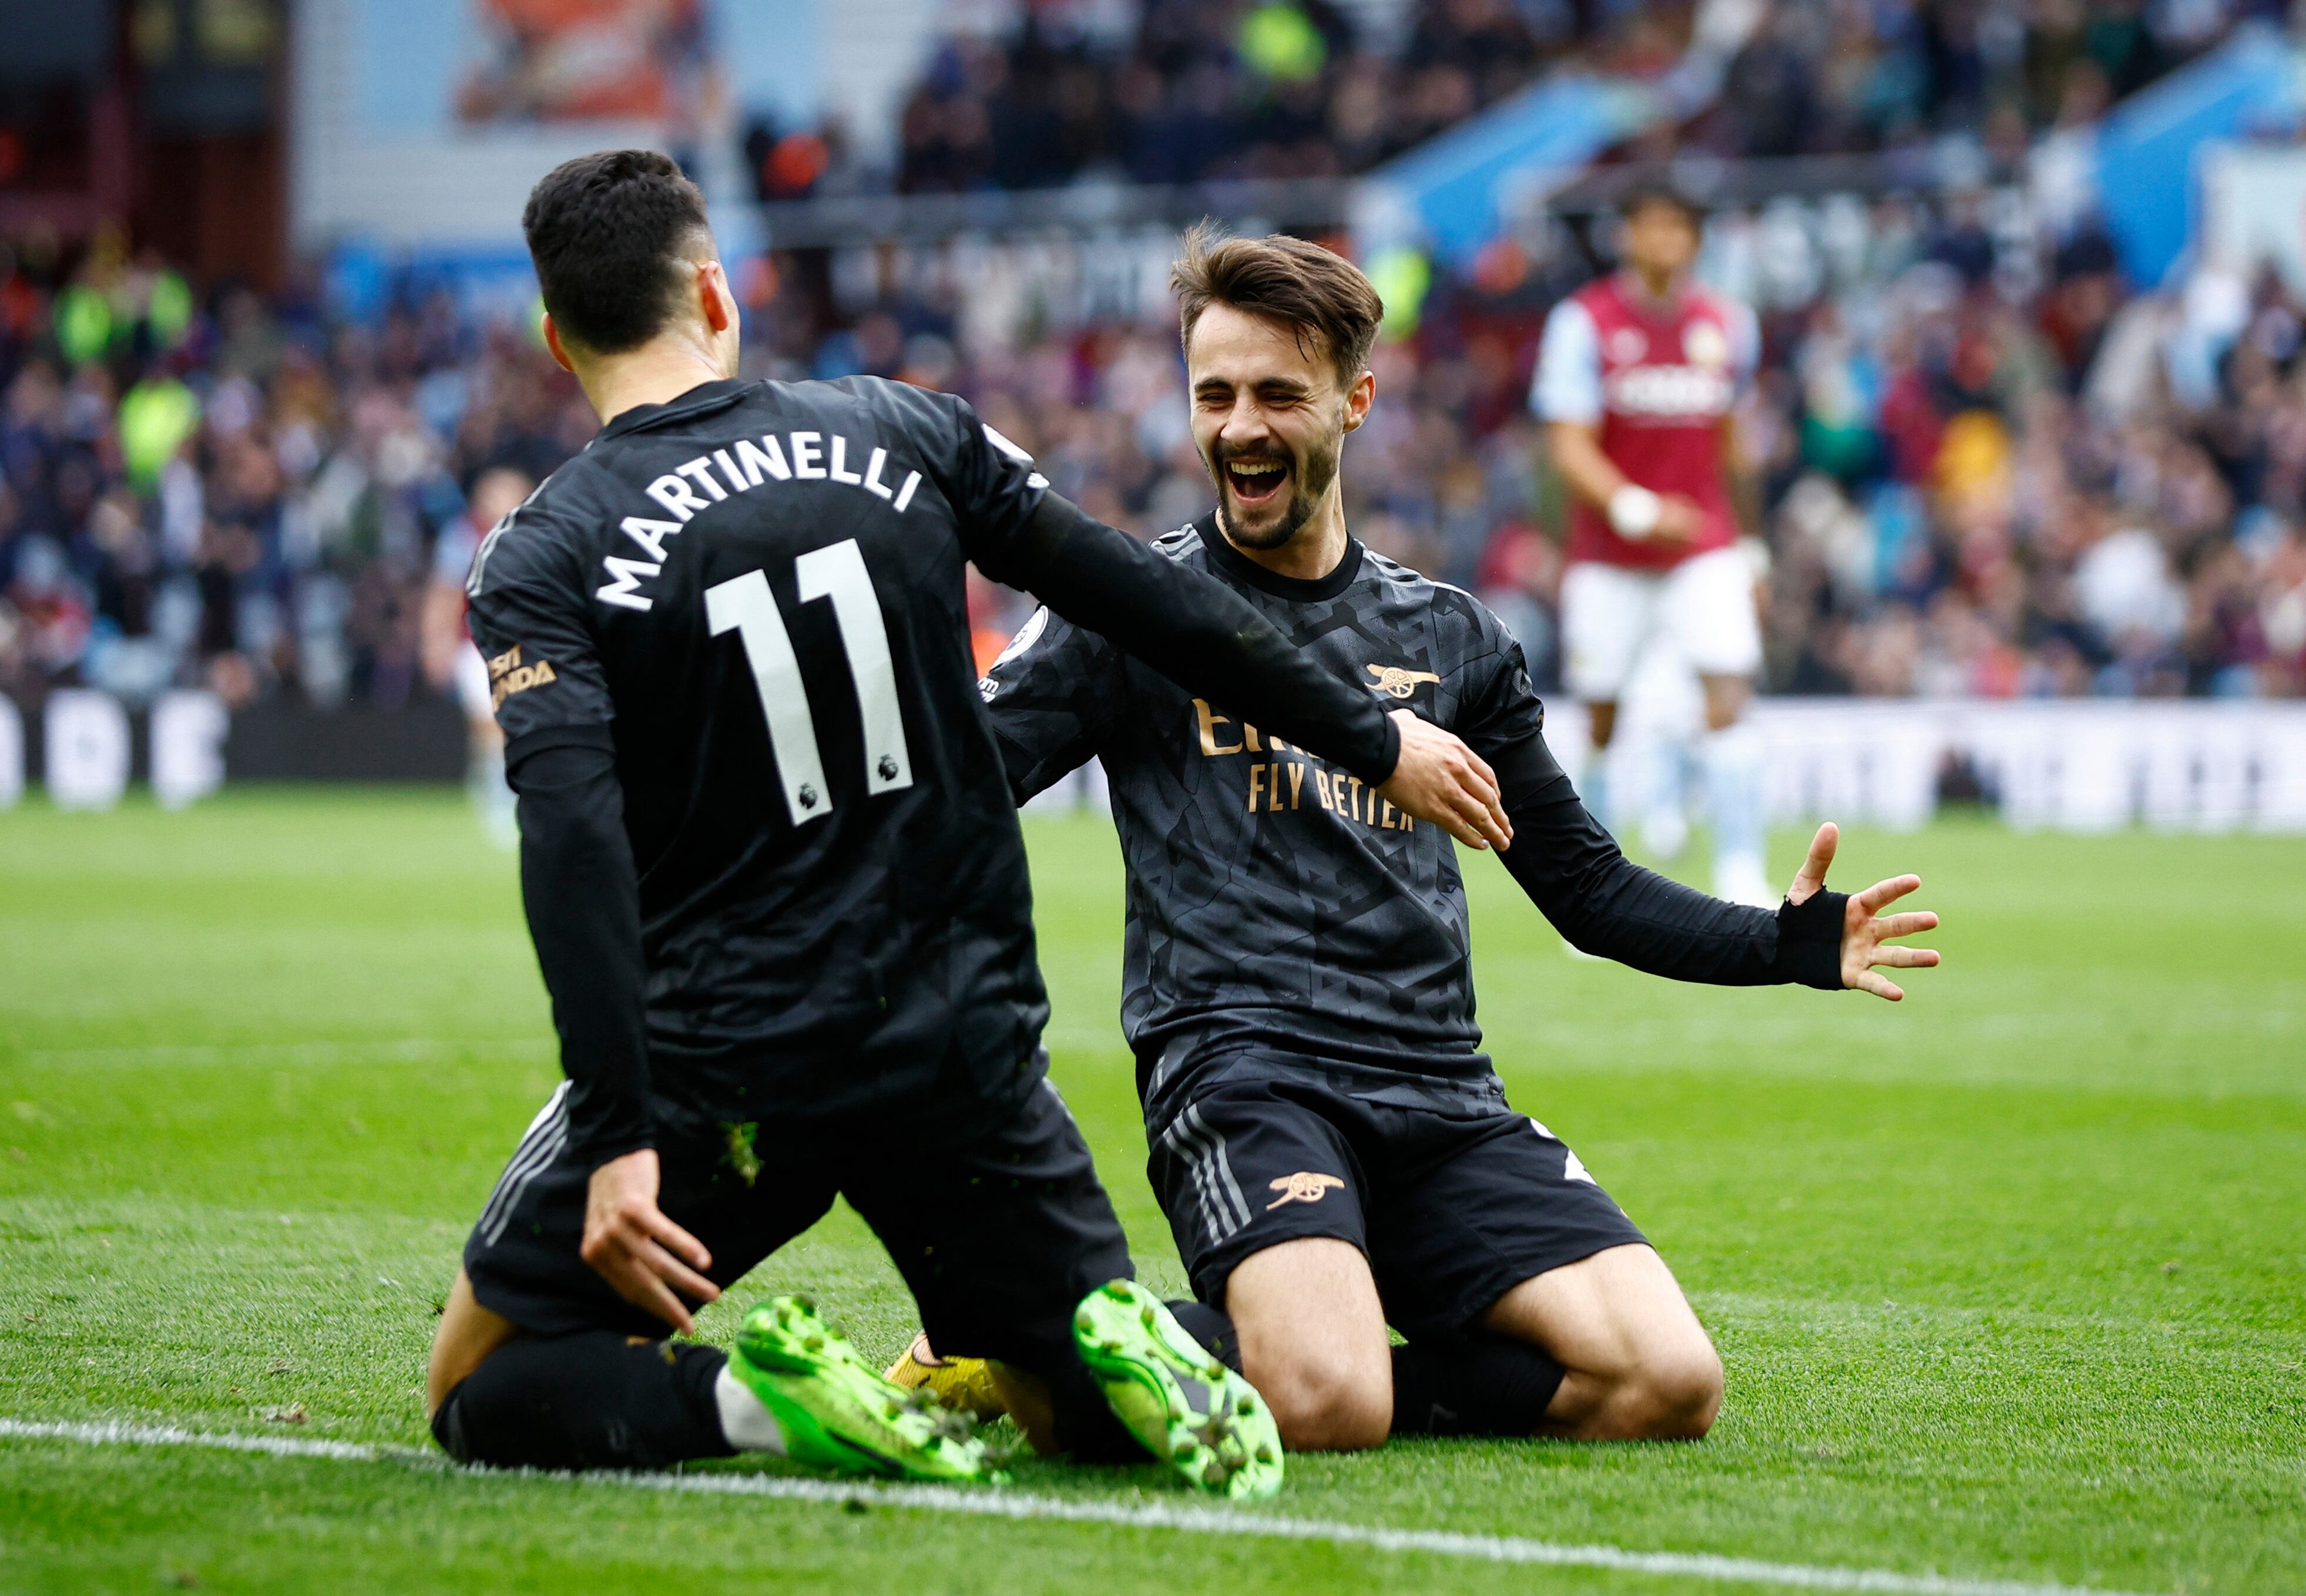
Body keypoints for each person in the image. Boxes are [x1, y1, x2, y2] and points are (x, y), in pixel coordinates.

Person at [420, 151, 1514, 1498]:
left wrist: (615, 1128)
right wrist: (1373, 735)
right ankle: (1078, 1341)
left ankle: (761, 1406)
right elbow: (1146, 599)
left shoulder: (544, 550)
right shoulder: (903, 427)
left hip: (732, 1044)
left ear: (554, 335)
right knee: (1054, 1398)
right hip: (958, 1037)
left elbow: (573, 838)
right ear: (717, 290)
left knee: (479, 1375)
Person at [911, 228, 1938, 1452]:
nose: (1240, 426)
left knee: (1666, 1381)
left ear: (1356, 400)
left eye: (1278, 394)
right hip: (1246, 1072)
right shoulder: (1130, 607)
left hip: (1439, 1091)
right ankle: (1016, 1324)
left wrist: (1784, 945)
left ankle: (1291, 1345)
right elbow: (952, 784)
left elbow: (1586, 888)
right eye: (1215, 394)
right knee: (1325, 1400)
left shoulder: (1449, 636)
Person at [1533, 181, 1774, 905]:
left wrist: (1754, 546)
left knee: (1728, 690)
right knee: (1603, 715)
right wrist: (1634, 508)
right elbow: (1568, 446)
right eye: (1652, 227)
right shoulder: (1584, 323)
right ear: (1628, 236)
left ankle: (1740, 871)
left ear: (1695, 240)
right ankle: (1593, 888)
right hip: (1610, 555)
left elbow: (1734, 444)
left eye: (1679, 227)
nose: (1666, 241)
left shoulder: (1729, 324)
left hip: (1705, 547)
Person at [422, 465, 535, 848]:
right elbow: (445, 591)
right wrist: (436, 641)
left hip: (526, 643)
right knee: (490, 724)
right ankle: (497, 799)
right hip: (476, 644)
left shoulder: (537, 531)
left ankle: (506, 791)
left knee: (517, 723)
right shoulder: (463, 536)